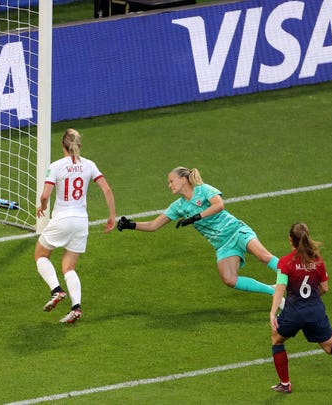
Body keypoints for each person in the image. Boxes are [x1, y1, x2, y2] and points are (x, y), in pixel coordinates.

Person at [117, 166, 280, 299]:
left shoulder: (203, 189)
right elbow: (154, 225)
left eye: (171, 181)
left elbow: (219, 205)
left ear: (183, 179)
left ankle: (301, 277)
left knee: (263, 257)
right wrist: (130, 225)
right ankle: (274, 292)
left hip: (236, 231)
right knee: (229, 279)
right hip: (222, 245)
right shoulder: (178, 206)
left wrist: (195, 217)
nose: (169, 185)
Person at [269, 223, 332, 394]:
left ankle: (285, 384)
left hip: (294, 312)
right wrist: (312, 299)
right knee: (331, 347)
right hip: (315, 310)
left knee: (277, 340)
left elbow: (280, 288)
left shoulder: (285, 262)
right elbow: (325, 288)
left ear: (290, 240)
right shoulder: (317, 261)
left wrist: (272, 312)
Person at [35, 128, 116, 324]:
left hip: (62, 219)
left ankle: (56, 290)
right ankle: (76, 308)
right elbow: (106, 188)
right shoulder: (89, 165)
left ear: (62, 145)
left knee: (40, 255)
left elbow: (46, 195)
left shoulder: (56, 166)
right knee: (69, 267)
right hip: (81, 222)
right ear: (79, 146)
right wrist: (112, 216)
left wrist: (42, 206)